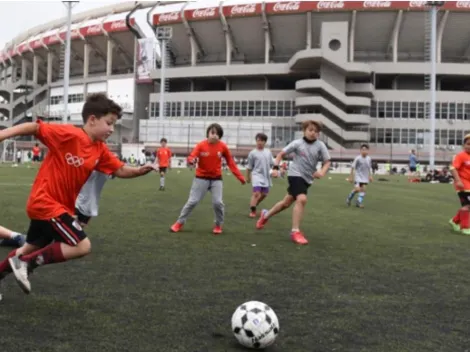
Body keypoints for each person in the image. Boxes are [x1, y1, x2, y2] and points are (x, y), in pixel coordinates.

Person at [0, 93, 157, 295]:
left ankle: (17, 263)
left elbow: (119, 170)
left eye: (114, 125)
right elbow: (34, 127)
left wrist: (139, 170)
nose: (111, 129)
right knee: (82, 246)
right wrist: (3, 134)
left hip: (55, 208)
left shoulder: (99, 149)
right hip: (45, 203)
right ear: (92, 119)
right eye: (109, 123)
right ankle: (28, 265)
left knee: (26, 248)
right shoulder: (69, 135)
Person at [256, 120, 331, 245]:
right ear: (304, 130)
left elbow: (327, 161)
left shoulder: (320, 146)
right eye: (310, 130)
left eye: (316, 131)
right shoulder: (297, 143)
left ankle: (265, 216)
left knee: (286, 203)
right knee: (301, 199)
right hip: (295, 174)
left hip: (307, 178)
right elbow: (281, 154)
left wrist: (322, 172)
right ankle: (295, 231)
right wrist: (275, 168)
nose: (313, 133)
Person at [170, 123, 245, 235]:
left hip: (216, 179)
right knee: (193, 201)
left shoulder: (223, 147)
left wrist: (240, 177)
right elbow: (191, 157)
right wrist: (191, 160)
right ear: (208, 134)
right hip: (201, 178)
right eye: (213, 133)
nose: (215, 135)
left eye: (218, 134)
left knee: (218, 203)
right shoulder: (201, 145)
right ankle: (179, 223)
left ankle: (218, 225)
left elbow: (230, 162)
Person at [246, 133, 274, 218]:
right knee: (256, 193)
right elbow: (249, 167)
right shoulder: (252, 153)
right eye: (258, 140)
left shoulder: (268, 152)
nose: (259, 142)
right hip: (256, 175)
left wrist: (278, 169)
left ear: (265, 142)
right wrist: (248, 177)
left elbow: (272, 163)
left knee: (264, 194)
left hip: (266, 176)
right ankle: (253, 211)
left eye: (262, 140)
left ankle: (253, 204)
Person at [449, 133, 470, 235]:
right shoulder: (461, 156)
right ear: (464, 145)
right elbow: (453, 168)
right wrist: (458, 181)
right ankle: (465, 227)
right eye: (468, 144)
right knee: (467, 206)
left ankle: (454, 221)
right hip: (463, 185)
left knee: (467, 206)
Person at [346, 144, 373, 208]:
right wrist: (350, 177)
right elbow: (352, 167)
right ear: (360, 151)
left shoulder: (369, 159)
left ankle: (358, 202)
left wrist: (370, 176)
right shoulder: (358, 158)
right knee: (357, 189)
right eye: (362, 149)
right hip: (358, 177)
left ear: (367, 151)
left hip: (365, 177)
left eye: (365, 149)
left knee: (363, 190)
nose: (364, 151)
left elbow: (369, 168)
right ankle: (349, 198)